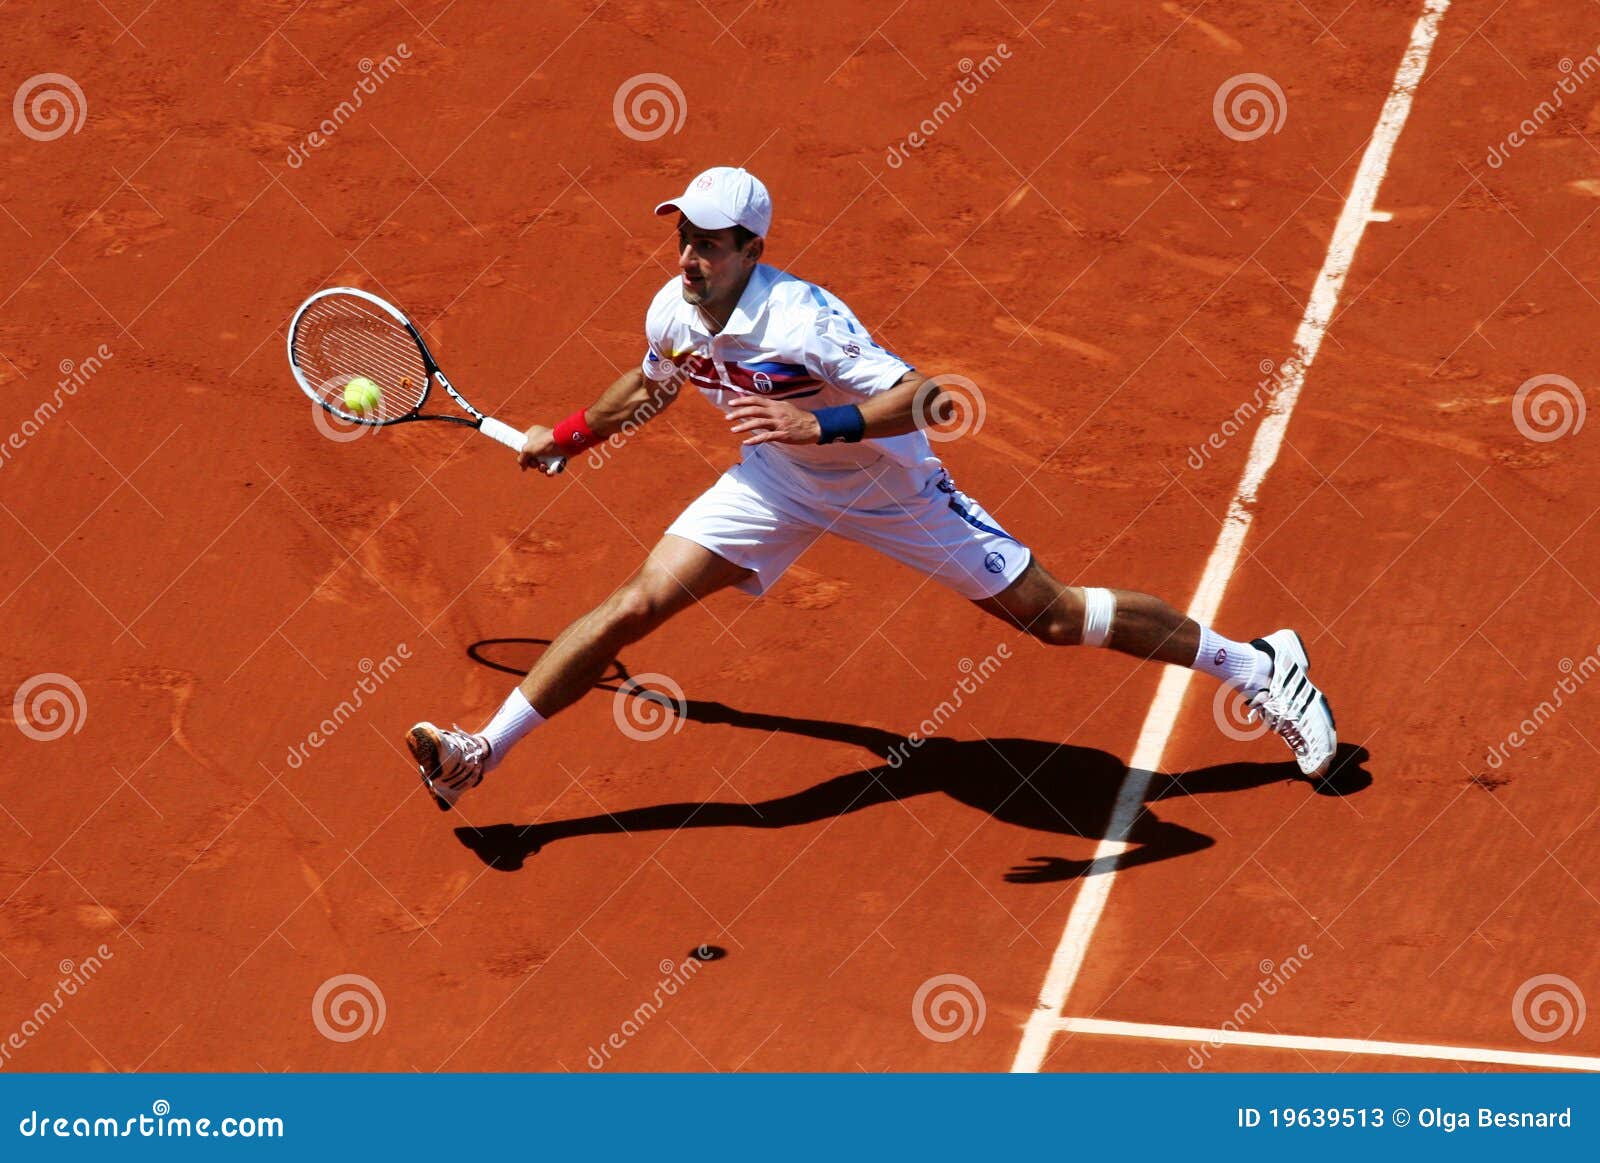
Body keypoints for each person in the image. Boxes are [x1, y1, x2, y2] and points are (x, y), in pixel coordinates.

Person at [406, 166, 1336, 810]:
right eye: (681, 236)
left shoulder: (805, 318)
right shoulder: (673, 307)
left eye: (708, 244)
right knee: (633, 605)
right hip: (773, 486)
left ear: (751, 246)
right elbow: (652, 383)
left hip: (890, 489)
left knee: (1050, 617)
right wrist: (565, 436)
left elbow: (927, 396)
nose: (687, 256)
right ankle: (478, 755)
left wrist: (822, 424)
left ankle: (1259, 666)